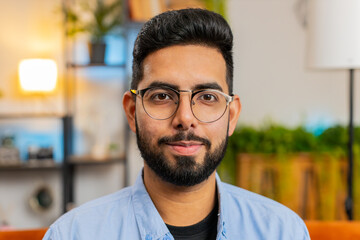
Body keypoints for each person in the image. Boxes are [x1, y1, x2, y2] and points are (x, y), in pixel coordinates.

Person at [43, 8, 310, 240]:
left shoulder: (283, 232)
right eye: (162, 96)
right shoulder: (73, 234)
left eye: (207, 97)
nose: (185, 118)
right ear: (131, 111)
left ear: (232, 115)